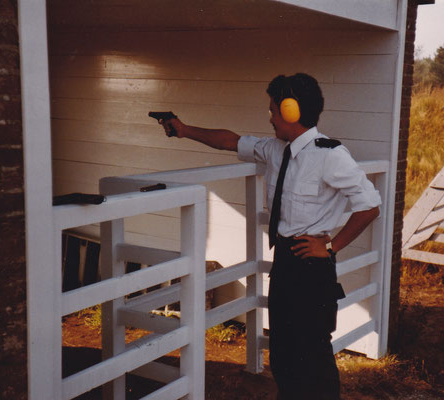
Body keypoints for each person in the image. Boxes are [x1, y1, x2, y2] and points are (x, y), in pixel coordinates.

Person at [159, 73, 381, 399]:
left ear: (291, 111)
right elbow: (229, 140)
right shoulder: (276, 150)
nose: (270, 117)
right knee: (283, 351)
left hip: (312, 263)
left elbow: (370, 205)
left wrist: (331, 245)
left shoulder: (330, 154)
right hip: (285, 263)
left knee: (314, 355)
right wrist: (185, 129)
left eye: (273, 110)